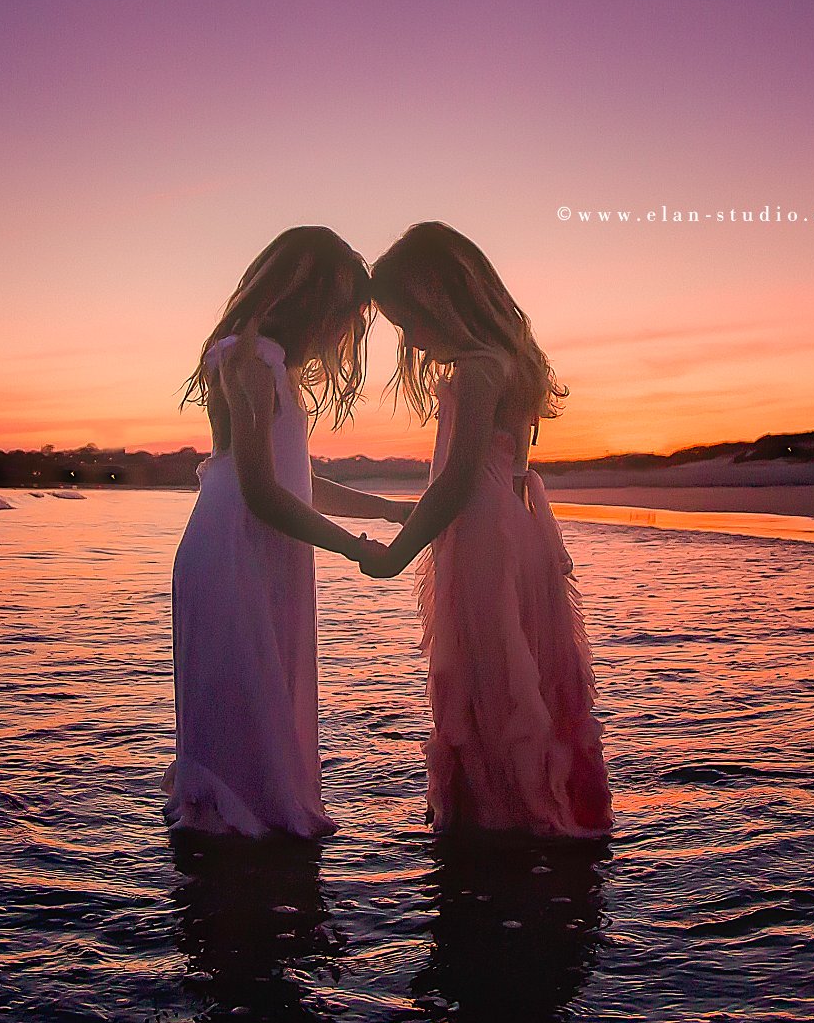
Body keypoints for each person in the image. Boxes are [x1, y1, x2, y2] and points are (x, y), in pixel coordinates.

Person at [359, 222, 611, 839]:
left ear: (441, 302)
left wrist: (397, 553)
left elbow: (456, 482)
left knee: (487, 673)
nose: (411, 340)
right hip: (512, 532)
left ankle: (505, 817)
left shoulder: (475, 369)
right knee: (520, 665)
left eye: (410, 322)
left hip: (483, 541)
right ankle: (529, 811)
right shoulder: (509, 363)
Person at [169, 227, 399, 837]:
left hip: (256, 544)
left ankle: (244, 857)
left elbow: (298, 482)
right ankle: (243, 865)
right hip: (239, 544)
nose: (343, 331)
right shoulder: (252, 358)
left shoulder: (265, 361)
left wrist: (386, 513)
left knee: (258, 694)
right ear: (311, 301)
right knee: (240, 698)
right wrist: (354, 548)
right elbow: (265, 493)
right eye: (342, 313)